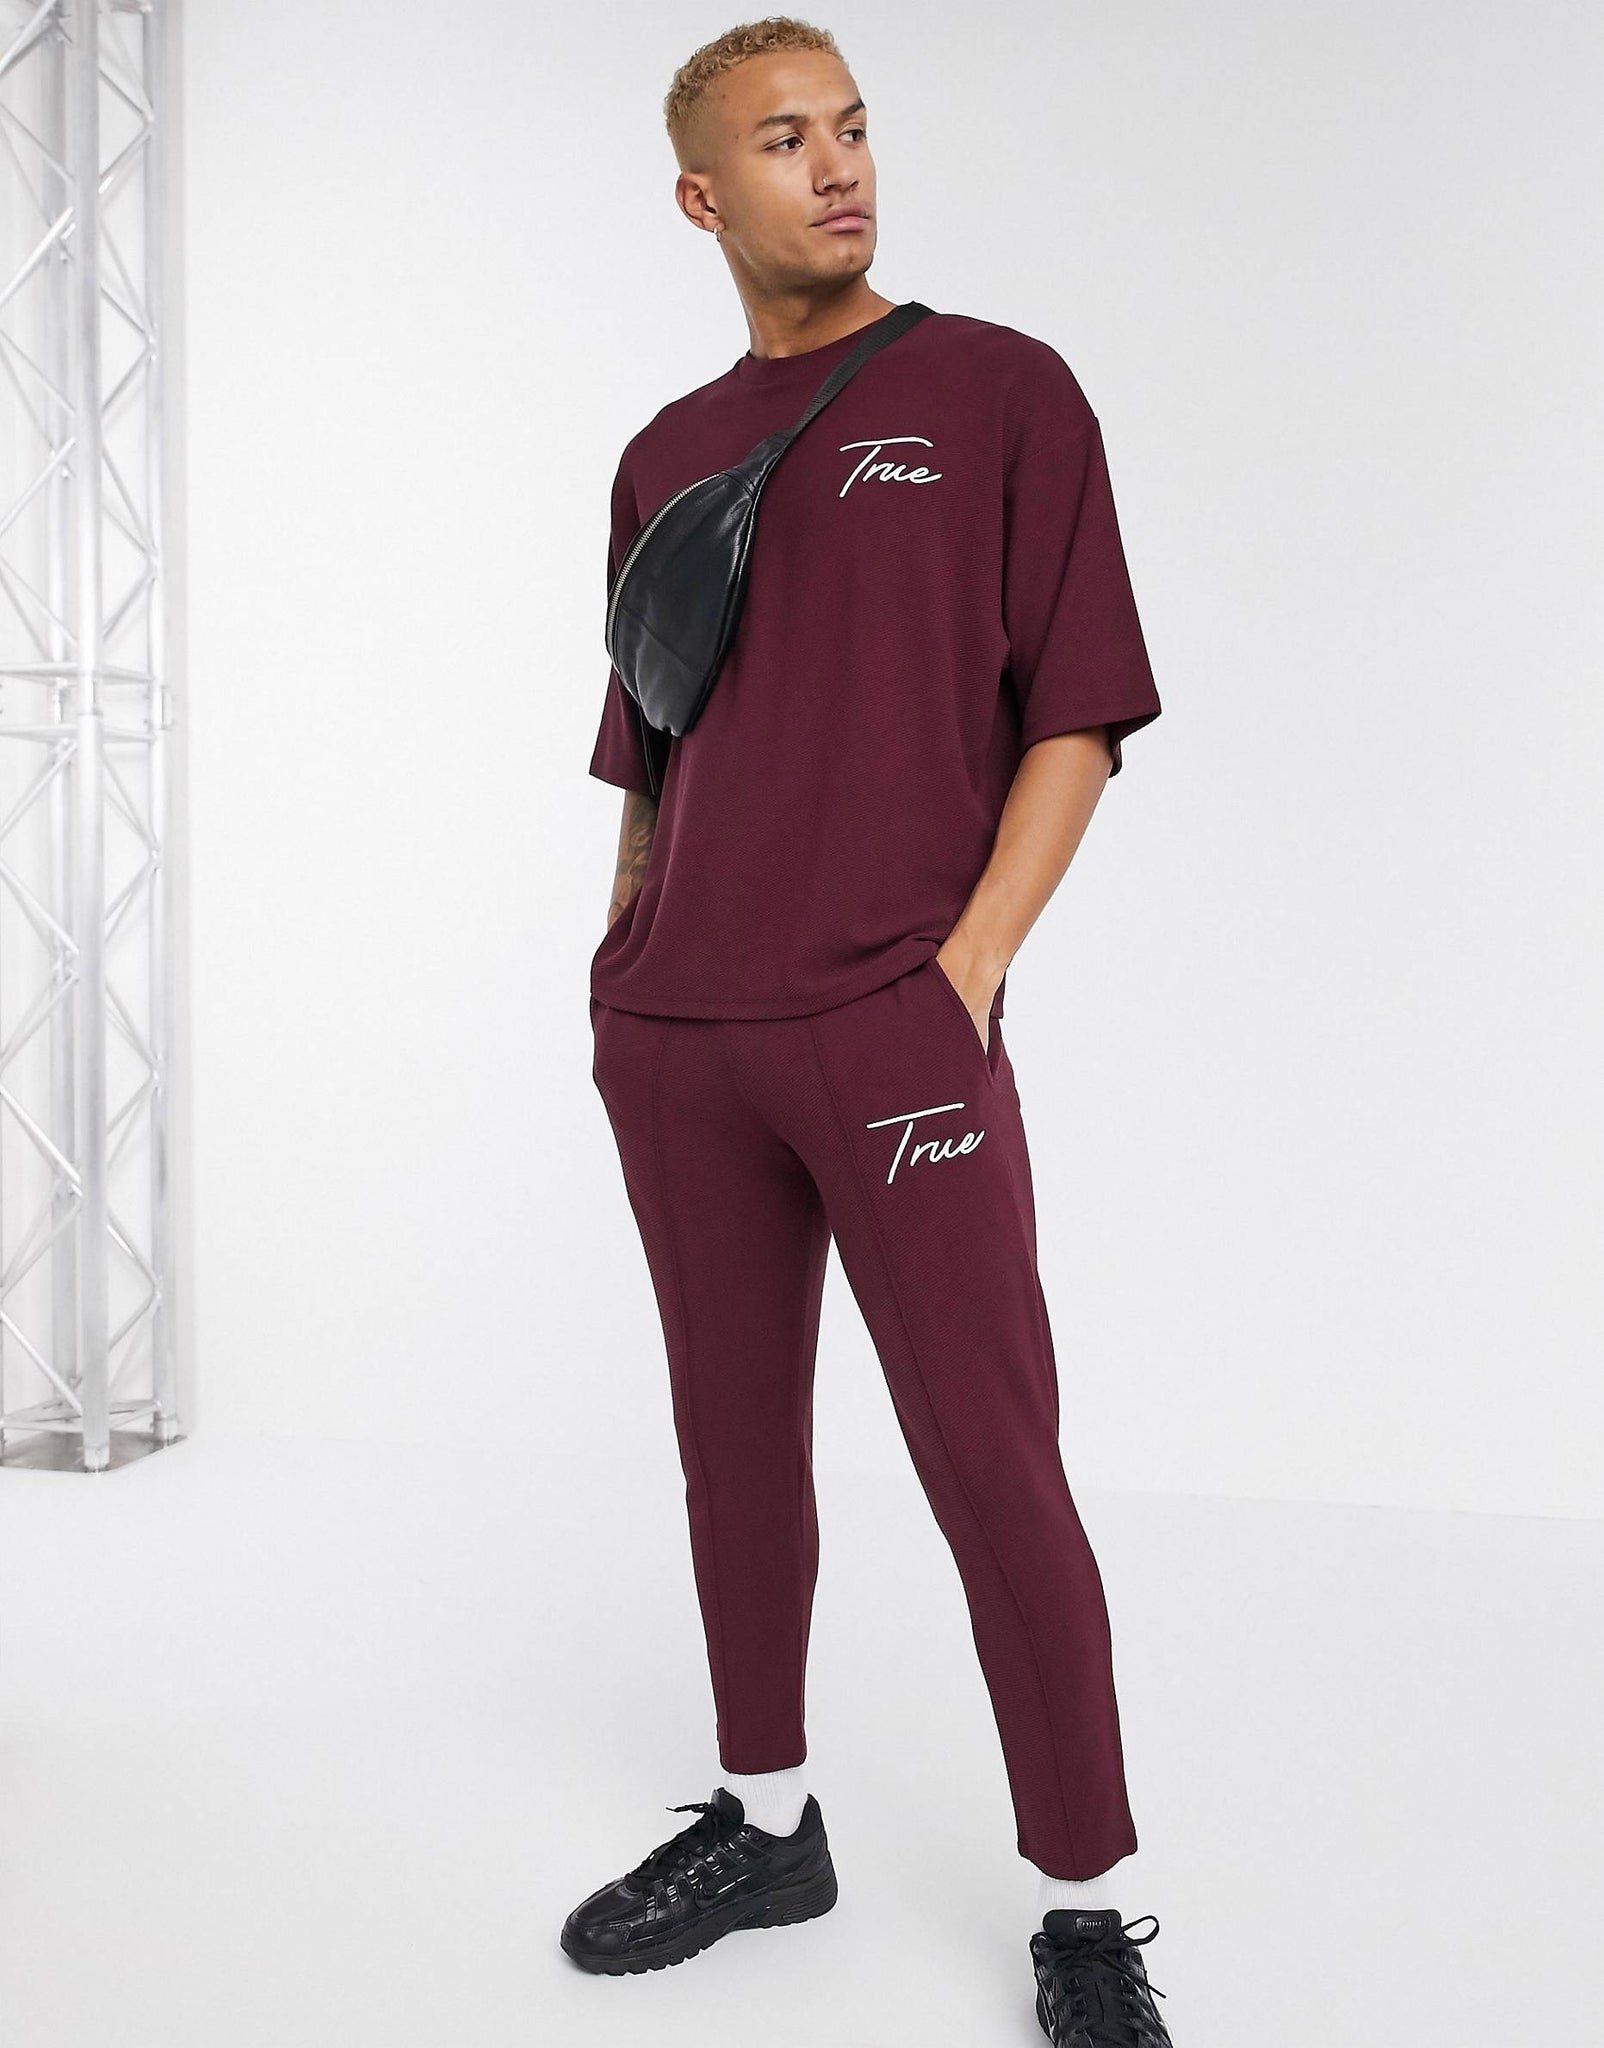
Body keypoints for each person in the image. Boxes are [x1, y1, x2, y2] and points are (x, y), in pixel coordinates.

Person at [563, 19, 1174, 2045]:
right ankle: (766, 1823)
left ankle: (1083, 1907)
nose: (835, 168)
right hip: (680, 1038)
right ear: (700, 197)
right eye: (780, 141)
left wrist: (966, 970)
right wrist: (622, 946)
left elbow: (1076, 713)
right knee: (732, 1452)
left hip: (894, 1025)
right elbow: (651, 743)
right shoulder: (664, 450)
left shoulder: (999, 390)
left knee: (994, 1461)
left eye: (849, 129)